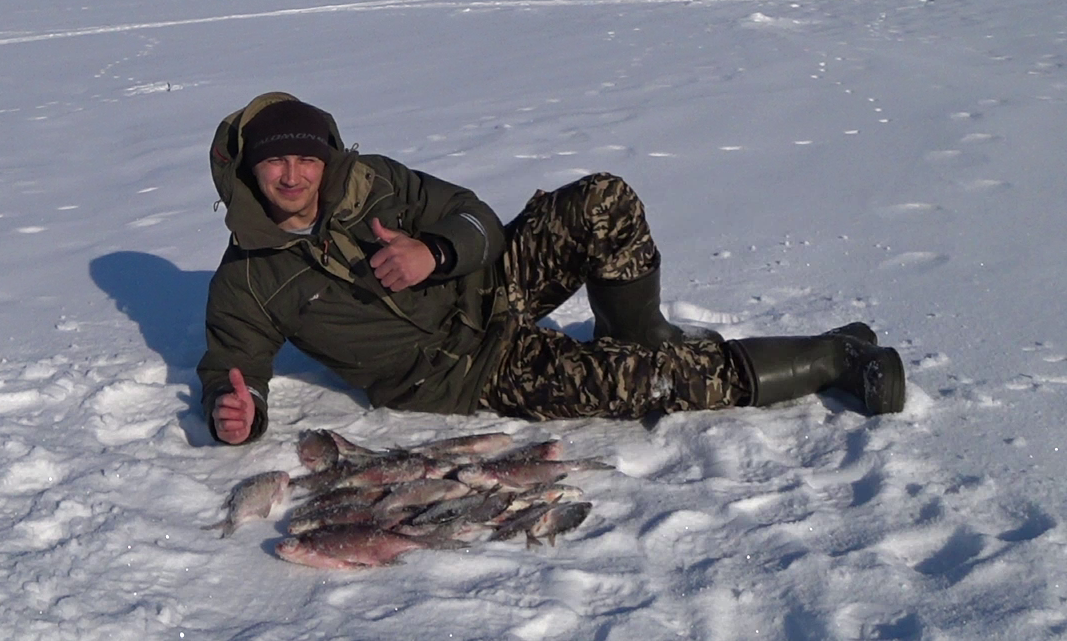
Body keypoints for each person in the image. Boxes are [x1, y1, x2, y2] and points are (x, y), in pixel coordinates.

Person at [198, 92, 906, 445]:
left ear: (327, 155)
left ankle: (641, 333)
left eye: (305, 157)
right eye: (274, 160)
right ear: (249, 169)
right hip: (467, 368)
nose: (292, 174)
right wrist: (239, 412)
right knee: (645, 384)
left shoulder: (374, 182)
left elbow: (472, 215)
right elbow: (230, 365)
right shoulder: (246, 279)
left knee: (602, 200)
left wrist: (433, 251)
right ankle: (835, 356)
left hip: (488, 283)